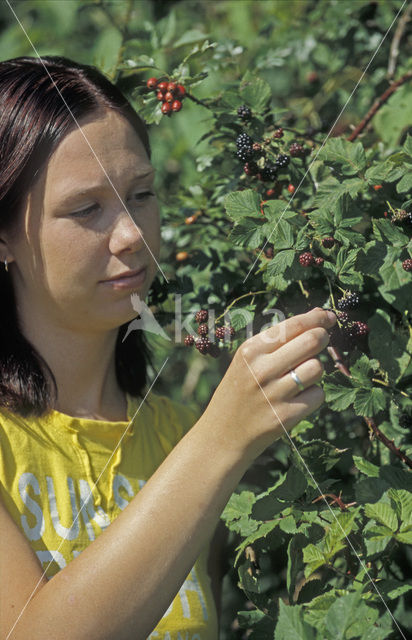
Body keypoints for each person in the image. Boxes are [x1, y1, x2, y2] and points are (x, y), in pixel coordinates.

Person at [0, 55, 337, 640]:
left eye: (142, 194)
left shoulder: (178, 434)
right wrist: (222, 438)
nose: (133, 235)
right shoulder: (208, 444)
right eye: (86, 209)